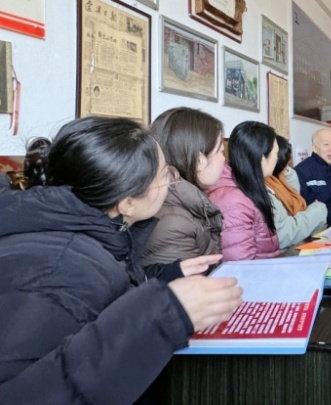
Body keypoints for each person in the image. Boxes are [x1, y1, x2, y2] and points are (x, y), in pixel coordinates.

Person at [0, 116, 242, 403]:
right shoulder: (58, 268)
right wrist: (163, 313)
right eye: (165, 175)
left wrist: (163, 280)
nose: (171, 182)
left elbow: (91, 315)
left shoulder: (92, 234)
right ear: (127, 203)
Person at [141, 108, 225, 273]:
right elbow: (193, 287)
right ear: (199, 161)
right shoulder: (173, 224)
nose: (224, 159)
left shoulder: (178, 201)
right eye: (221, 151)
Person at [209, 121, 281, 261]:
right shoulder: (234, 201)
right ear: (262, 158)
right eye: (276, 153)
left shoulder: (247, 184)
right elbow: (240, 265)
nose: (277, 159)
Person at [266, 135, 327, 249]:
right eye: (326, 144)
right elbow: (280, 236)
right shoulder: (265, 190)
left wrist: (287, 173)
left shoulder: (280, 179)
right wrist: (318, 211)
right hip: (285, 252)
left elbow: (293, 196)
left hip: (299, 244)